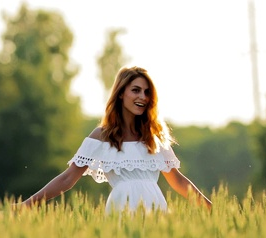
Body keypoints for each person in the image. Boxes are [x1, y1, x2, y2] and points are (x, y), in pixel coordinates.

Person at [21, 66, 212, 213]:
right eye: (136, 90)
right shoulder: (101, 136)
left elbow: (178, 181)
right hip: (121, 208)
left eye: (147, 92)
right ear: (121, 93)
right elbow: (68, 178)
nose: (142, 97)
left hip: (156, 210)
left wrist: (213, 209)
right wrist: (26, 205)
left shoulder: (155, 138)